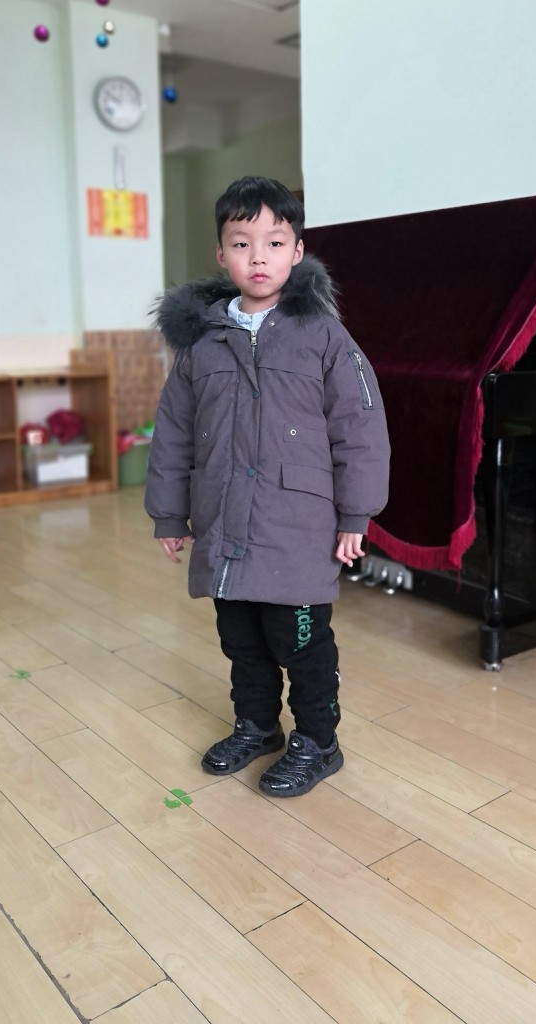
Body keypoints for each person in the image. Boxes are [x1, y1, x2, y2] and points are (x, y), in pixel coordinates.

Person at [145, 176, 390, 797]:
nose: (259, 257)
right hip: (225, 525)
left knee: (300, 644)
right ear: (221, 254)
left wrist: (356, 515)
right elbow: (173, 432)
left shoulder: (324, 336)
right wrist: (170, 514)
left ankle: (319, 741)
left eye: (275, 242)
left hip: (297, 529)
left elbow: (360, 428)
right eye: (242, 242)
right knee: (241, 641)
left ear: (297, 252)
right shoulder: (201, 345)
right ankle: (256, 726)